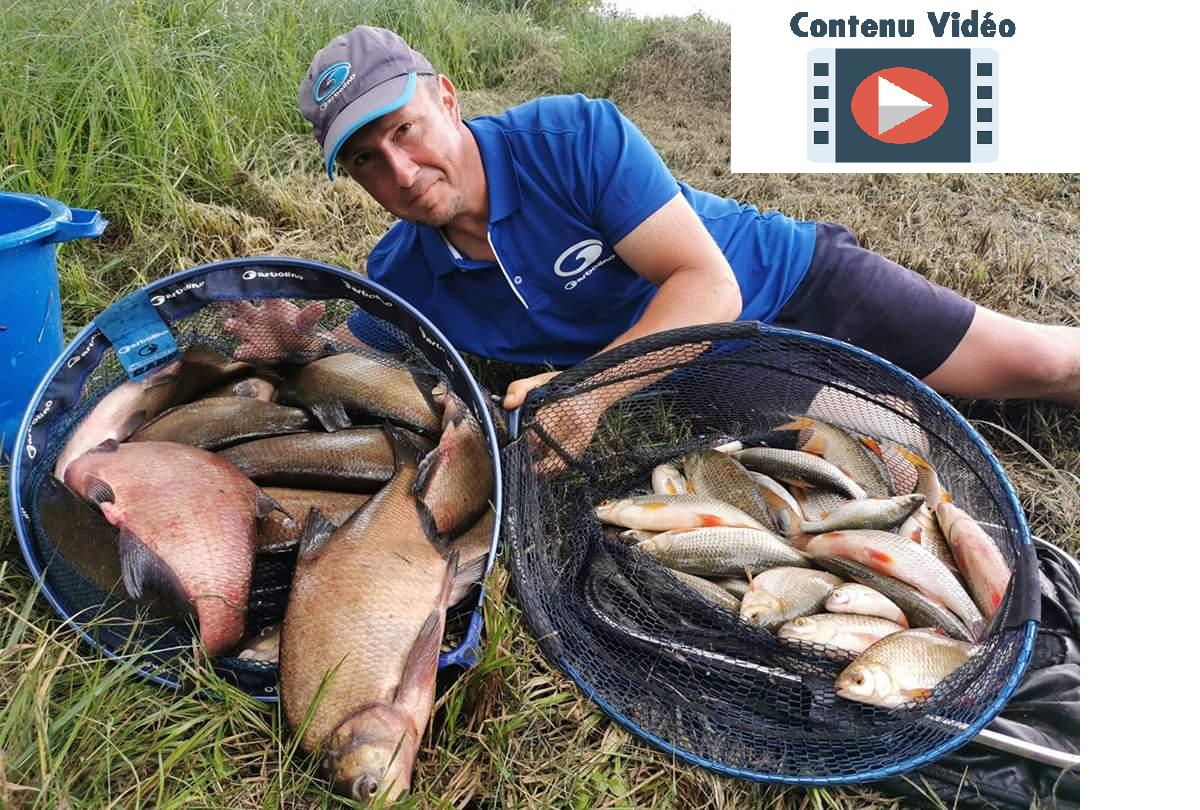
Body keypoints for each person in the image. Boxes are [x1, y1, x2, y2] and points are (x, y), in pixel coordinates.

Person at [228, 26, 1078, 456]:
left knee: (1040, 367)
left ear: (447, 99)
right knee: (898, 449)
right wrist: (295, 341)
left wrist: (589, 393)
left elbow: (707, 289)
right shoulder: (404, 273)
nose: (403, 171)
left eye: (407, 130)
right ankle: (893, 412)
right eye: (369, 162)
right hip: (709, 366)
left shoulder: (571, 137)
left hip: (796, 279)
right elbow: (356, 337)